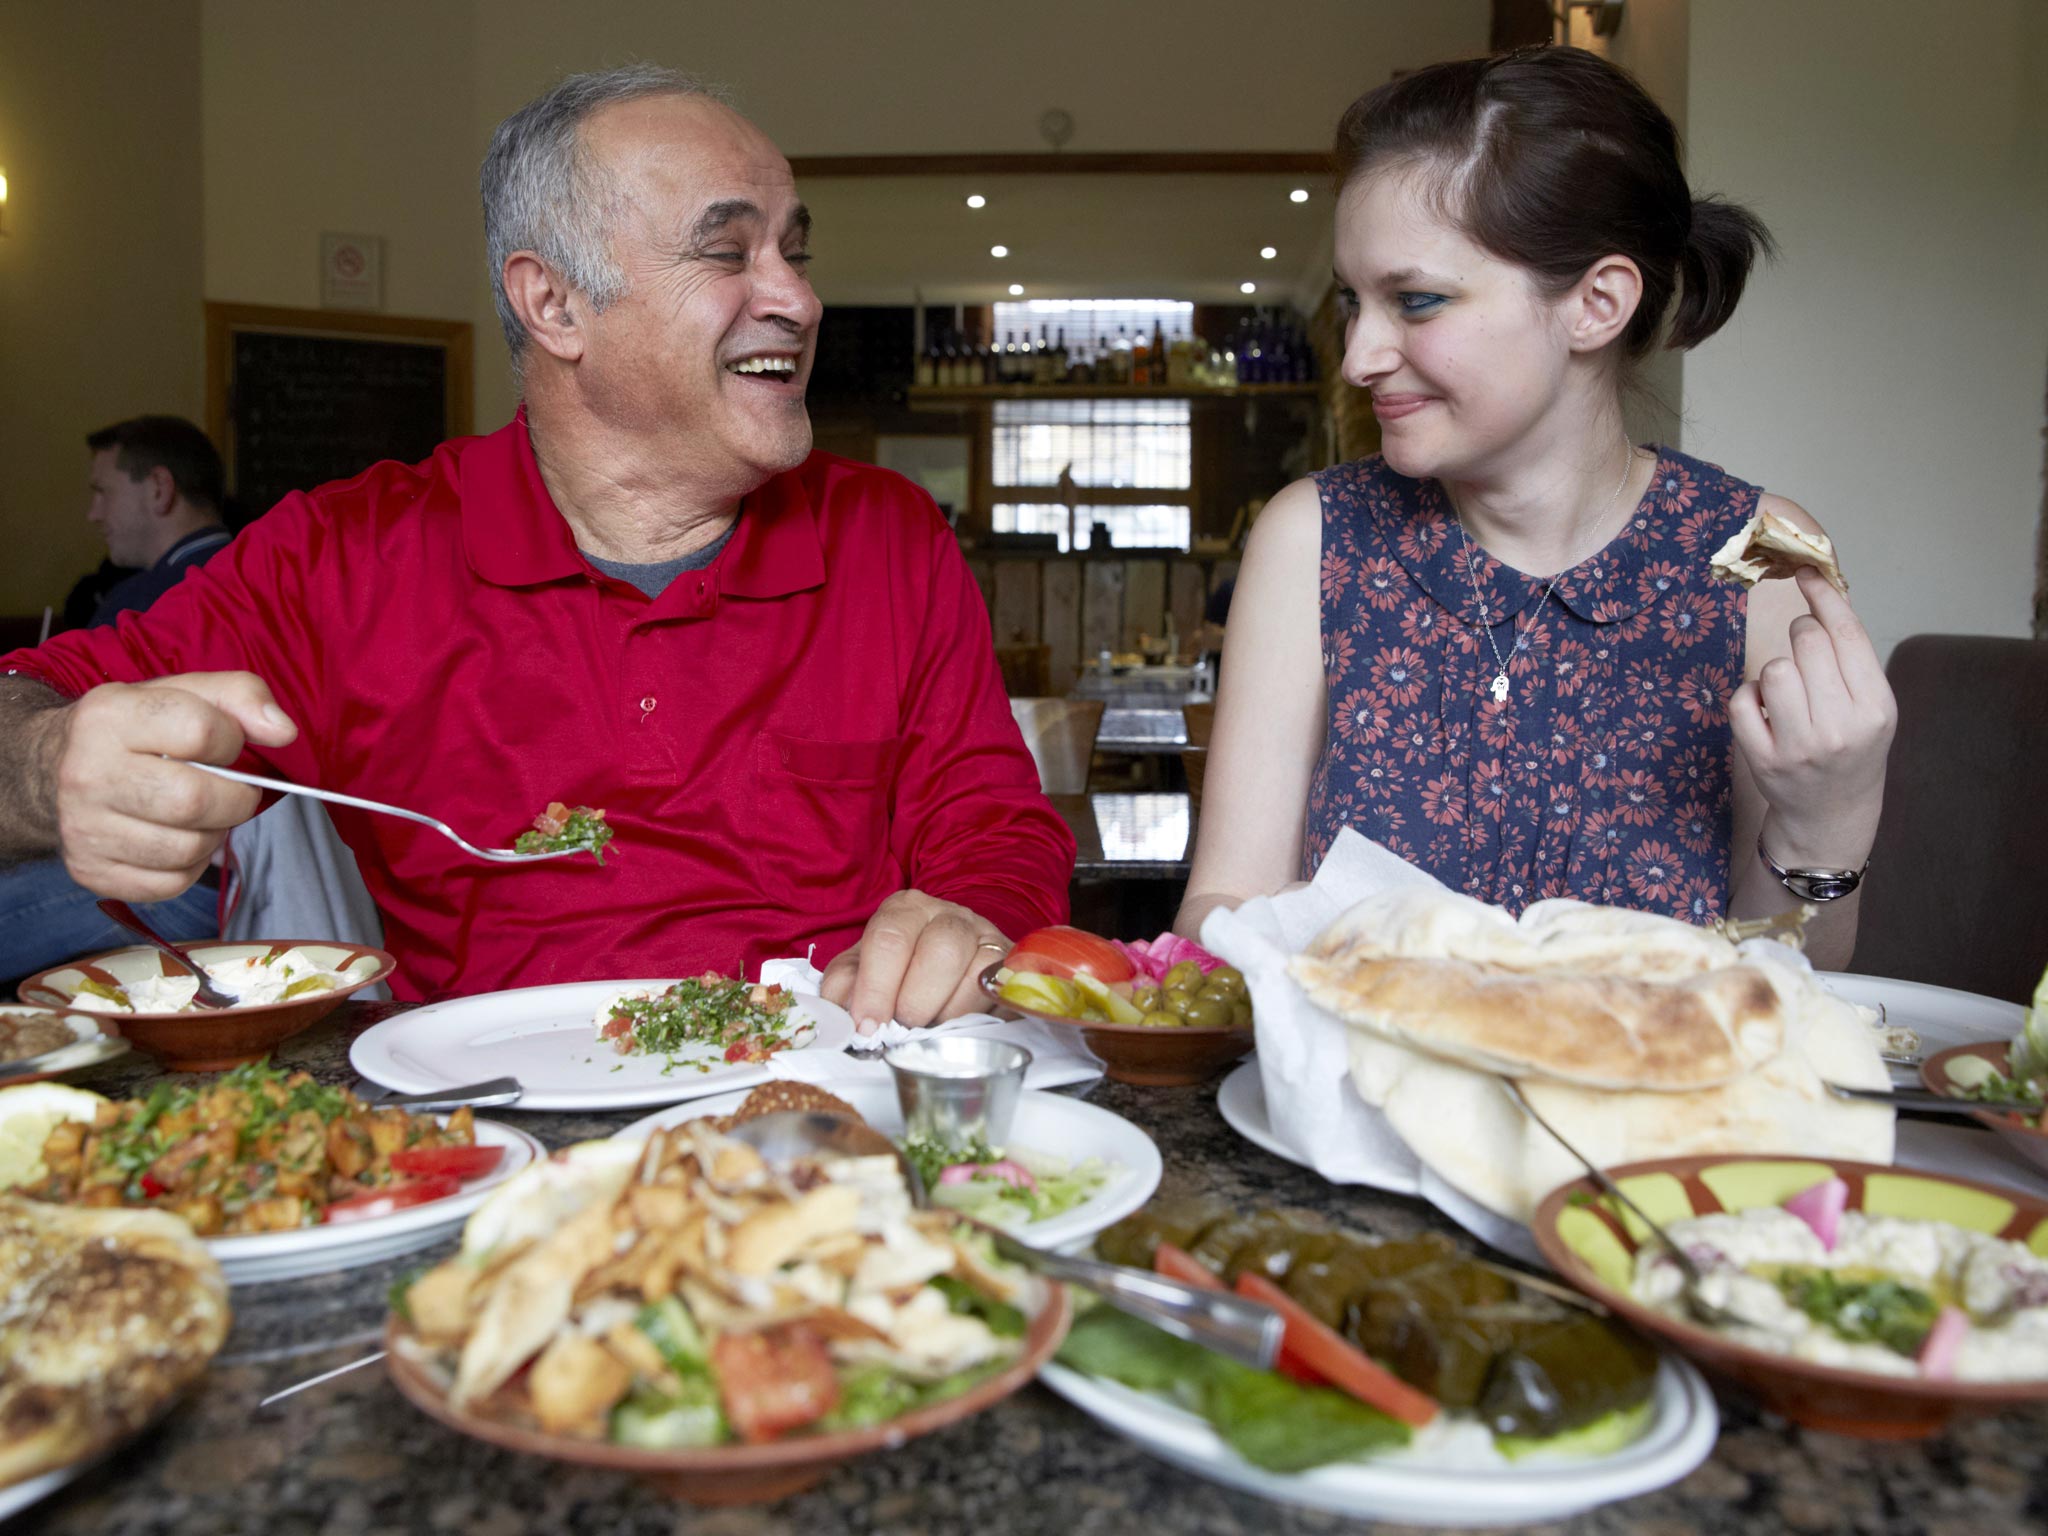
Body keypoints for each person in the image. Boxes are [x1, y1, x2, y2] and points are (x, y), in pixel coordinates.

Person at [0, 65, 1074, 1023]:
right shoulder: (349, 555)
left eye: (794, 251)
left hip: (824, 1116)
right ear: (553, 303)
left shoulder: (886, 536)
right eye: (725, 250)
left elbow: (991, 824)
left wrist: (967, 913)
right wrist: (55, 765)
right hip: (495, 1148)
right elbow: (26, 708)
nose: (798, 299)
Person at [1176, 47, 1894, 971]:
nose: (1359, 357)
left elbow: (1783, 985)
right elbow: (1225, 905)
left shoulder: (1754, 558)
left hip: (1647, 1109)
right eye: (1355, 304)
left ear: (1596, 303)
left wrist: (1827, 822)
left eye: (1417, 301)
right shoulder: (1312, 537)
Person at [0, 419, 234, 979]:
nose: (93, 513)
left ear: (159, 488)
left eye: (102, 491)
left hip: (191, 878)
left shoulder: (147, 601)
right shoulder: (246, 566)